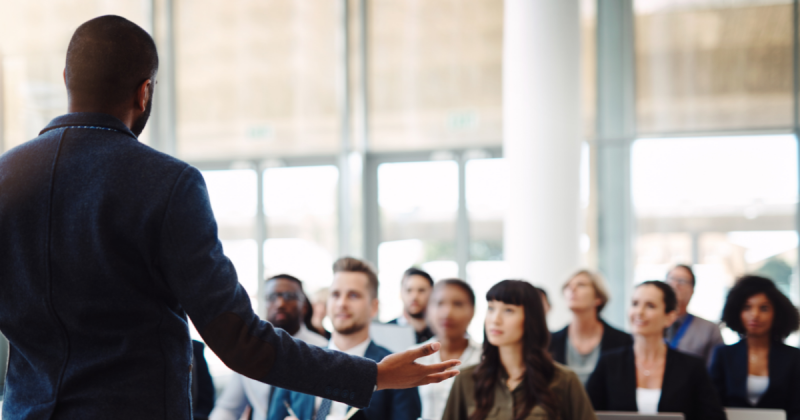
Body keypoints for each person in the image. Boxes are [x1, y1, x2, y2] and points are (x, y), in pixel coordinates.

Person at [0, 16, 460, 420]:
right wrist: (371, 375)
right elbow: (240, 339)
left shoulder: (6, 177)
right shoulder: (166, 183)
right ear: (145, 92)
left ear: (66, 78)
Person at [269, 257, 422, 420]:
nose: (341, 303)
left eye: (353, 295)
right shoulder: (299, 362)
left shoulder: (395, 371)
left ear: (374, 307)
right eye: (335, 294)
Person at [443, 280, 596, 420]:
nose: (495, 319)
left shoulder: (564, 380)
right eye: (491, 308)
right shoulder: (466, 380)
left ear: (531, 319)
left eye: (508, 310)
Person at [585, 281, 725, 420]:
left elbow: (715, 417)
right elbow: (586, 413)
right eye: (635, 304)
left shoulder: (692, 367)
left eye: (650, 306)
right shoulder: (609, 363)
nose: (639, 312)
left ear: (669, 317)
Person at [210, 274, 328, 420]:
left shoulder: (323, 349)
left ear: (304, 306)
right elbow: (228, 408)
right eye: (272, 297)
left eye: (289, 296)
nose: (280, 303)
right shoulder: (250, 349)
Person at [709, 275, 800, 420]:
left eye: (764, 308)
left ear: (777, 314)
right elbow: (712, 406)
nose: (755, 315)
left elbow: (797, 409)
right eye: (747, 307)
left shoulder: (794, 357)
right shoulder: (723, 354)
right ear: (737, 312)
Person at [549, 270, 632, 384]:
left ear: (598, 298)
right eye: (568, 286)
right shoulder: (550, 341)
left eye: (581, 285)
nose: (572, 289)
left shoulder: (623, 341)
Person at [416, 279, 483, 420]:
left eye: (458, 304)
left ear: (472, 310)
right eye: (439, 303)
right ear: (429, 309)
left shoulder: (485, 357)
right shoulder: (414, 356)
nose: (447, 312)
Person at [664, 264, 724, 366]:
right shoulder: (650, 323)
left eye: (682, 281)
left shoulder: (710, 330)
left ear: (692, 290)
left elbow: (716, 372)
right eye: (671, 279)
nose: (675, 285)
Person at [388, 267, 435, 344]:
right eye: (409, 290)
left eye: (421, 290)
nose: (414, 297)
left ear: (433, 293)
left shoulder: (441, 332)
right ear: (401, 293)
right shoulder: (387, 331)